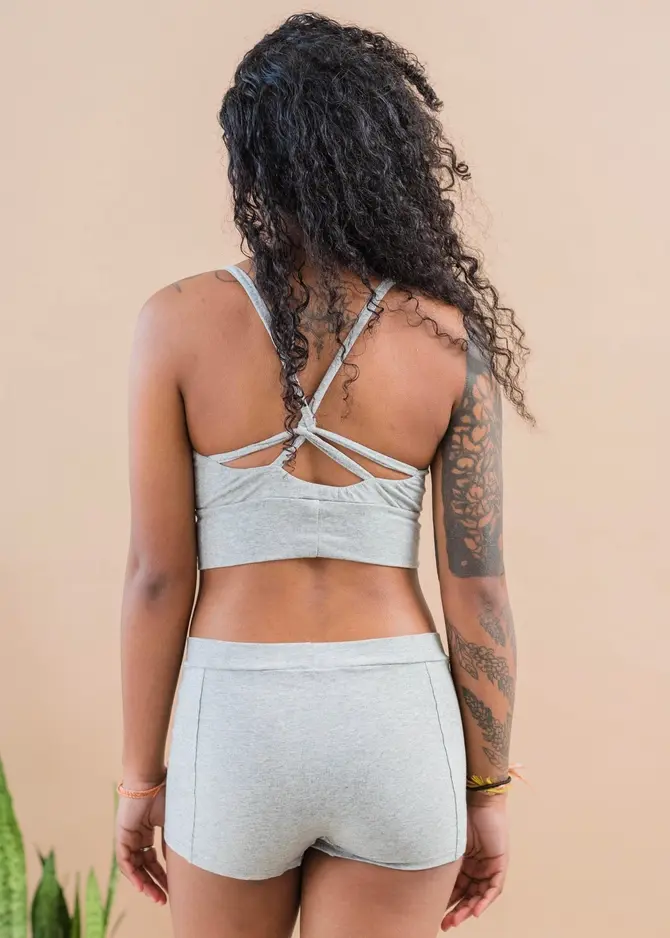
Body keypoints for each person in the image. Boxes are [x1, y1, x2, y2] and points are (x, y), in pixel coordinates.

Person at [114, 12, 531, 938]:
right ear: (391, 159)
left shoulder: (175, 321)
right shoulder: (446, 341)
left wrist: (140, 782)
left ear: (253, 162)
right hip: (396, 721)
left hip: (237, 722)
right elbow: (479, 592)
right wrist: (488, 790)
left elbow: (156, 578)